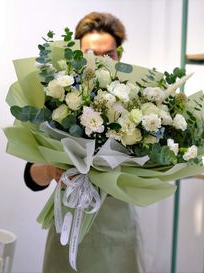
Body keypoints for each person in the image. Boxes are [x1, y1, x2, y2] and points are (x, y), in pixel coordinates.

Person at [24, 12, 144, 273]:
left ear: (119, 55)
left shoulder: (140, 105)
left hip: (119, 229)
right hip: (69, 225)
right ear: (77, 54)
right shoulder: (58, 101)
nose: (99, 61)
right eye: (90, 53)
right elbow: (31, 176)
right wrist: (50, 170)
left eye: (108, 54)